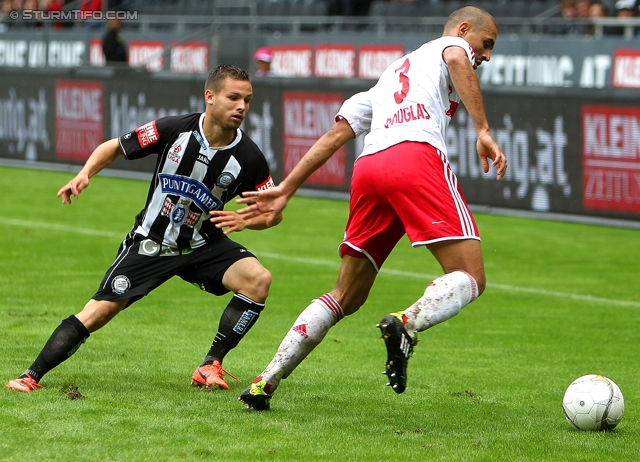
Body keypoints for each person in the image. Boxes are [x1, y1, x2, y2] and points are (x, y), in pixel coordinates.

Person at [235, 6, 507, 410]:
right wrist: (483, 130)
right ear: (465, 30)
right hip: (414, 160)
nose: (484, 56)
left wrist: (287, 187)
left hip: (369, 169)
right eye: (485, 45)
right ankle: (406, 325)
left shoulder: (388, 78)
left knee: (346, 294)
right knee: (471, 276)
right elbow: (456, 56)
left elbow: (335, 136)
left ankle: (265, 380)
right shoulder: (450, 46)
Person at [6, 64, 281, 394]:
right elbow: (113, 147)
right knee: (99, 312)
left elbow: (274, 210)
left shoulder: (249, 156)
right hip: (152, 241)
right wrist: (85, 174)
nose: (241, 107)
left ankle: (210, 364)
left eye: (247, 100)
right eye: (233, 97)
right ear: (210, 97)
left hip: (202, 243)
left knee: (258, 279)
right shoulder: (174, 130)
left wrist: (248, 220)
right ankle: (30, 376)